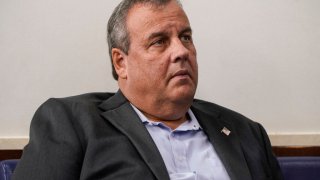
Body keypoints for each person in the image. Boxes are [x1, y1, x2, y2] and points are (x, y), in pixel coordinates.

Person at [13, 0, 283, 179]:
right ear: (121, 63)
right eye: (159, 41)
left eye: (185, 37)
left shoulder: (247, 132)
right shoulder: (73, 123)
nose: (181, 51)